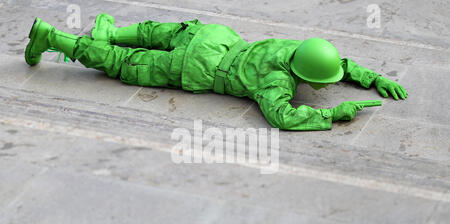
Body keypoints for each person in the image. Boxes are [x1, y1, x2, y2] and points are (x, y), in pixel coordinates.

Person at [25, 13, 408, 131]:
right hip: (200, 67)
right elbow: (284, 118)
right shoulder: (276, 82)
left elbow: (334, 63)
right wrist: (331, 115)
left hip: (216, 37)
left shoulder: (299, 49)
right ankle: (53, 38)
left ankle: (112, 32)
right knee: (124, 63)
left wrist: (373, 78)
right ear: (307, 75)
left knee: (157, 33)